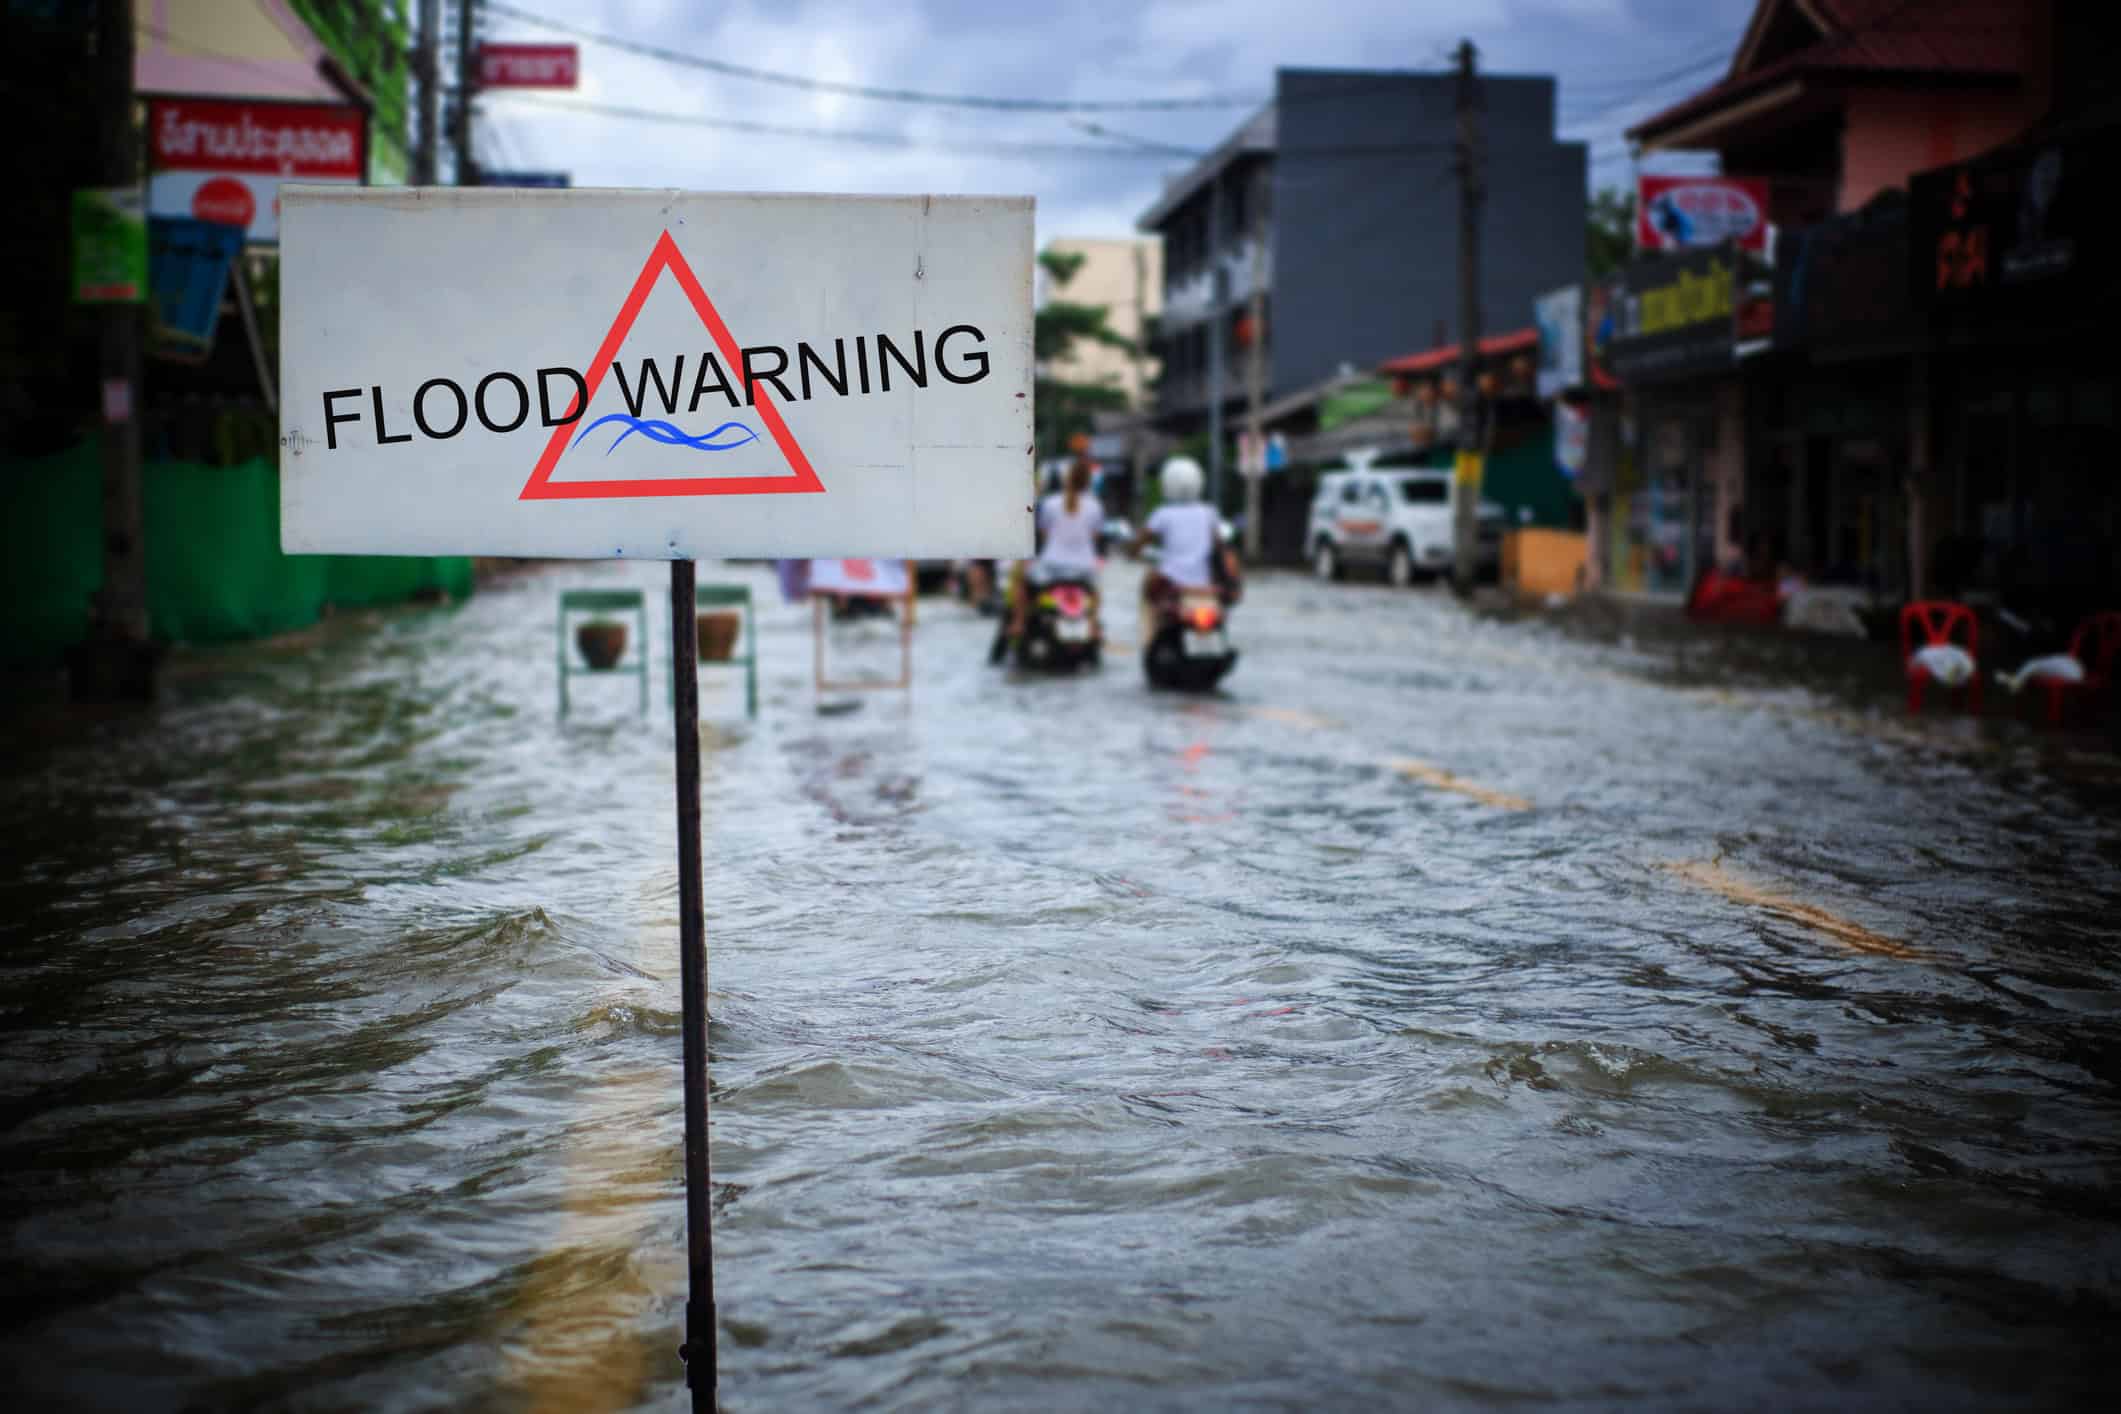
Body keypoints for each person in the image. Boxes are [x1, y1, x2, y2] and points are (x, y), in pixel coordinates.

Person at [994, 457, 1105, 661]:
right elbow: (1095, 538)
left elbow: (1044, 535)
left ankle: (1018, 623)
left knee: (1020, 582)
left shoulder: (1050, 504)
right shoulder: (1095, 506)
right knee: (1096, 590)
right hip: (1084, 569)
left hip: (1051, 567)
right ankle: (1095, 624)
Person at [1130, 456, 1241, 608]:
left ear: (1166, 483)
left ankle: (1152, 628)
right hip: (1203, 584)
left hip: (1170, 583)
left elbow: (1140, 542)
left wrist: (1133, 551)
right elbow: (1220, 546)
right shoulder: (1209, 512)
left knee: (1148, 586)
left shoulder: (1162, 513)